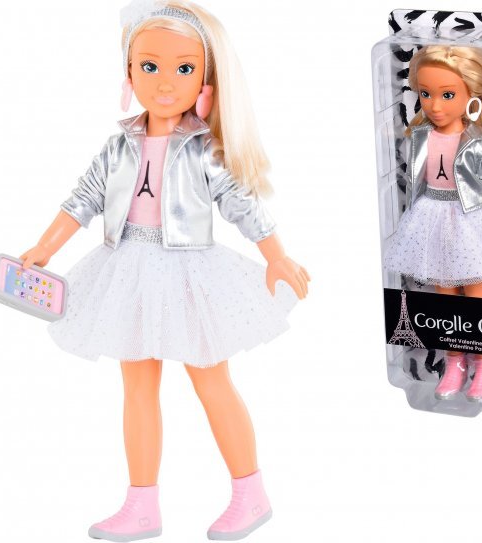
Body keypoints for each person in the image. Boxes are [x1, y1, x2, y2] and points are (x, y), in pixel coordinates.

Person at [19, 1, 309, 540]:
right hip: (127, 268)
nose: (166, 82)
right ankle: (141, 505)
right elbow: (82, 199)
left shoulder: (204, 151)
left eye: (184, 68)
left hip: (189, 272)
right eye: (150, 66)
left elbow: (242, 204)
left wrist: (276, 254)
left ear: (205, 81)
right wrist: (43, 248)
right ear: (129, 74)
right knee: (137, 388)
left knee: (211, 381)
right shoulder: (117, 147)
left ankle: (251, 493)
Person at [384, 45, 482, 402]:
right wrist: (410, 221)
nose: (434, 105)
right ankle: (454, 363)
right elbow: (416, 182)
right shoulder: (421, 137)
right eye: (425, 94)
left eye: (447, 95)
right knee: (445, 299)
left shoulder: (476, 144)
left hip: (471, 222)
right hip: (431, 219)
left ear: (470, 95)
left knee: (477, 297)